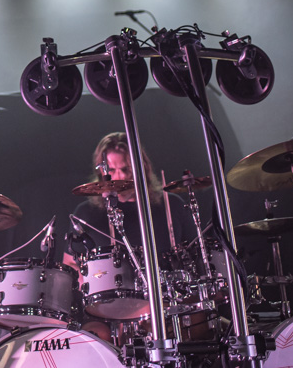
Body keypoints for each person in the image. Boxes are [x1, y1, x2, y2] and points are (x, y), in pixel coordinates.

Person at [65, 132, 197, 343]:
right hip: (105, 312)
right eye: (113, 170)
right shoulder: (87, 212)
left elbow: (196, 253)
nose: (119, 177)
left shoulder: (170, 206)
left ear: (141, 167)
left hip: (166, 306)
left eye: (125, 169)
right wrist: (90, 290)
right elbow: (71, 264)